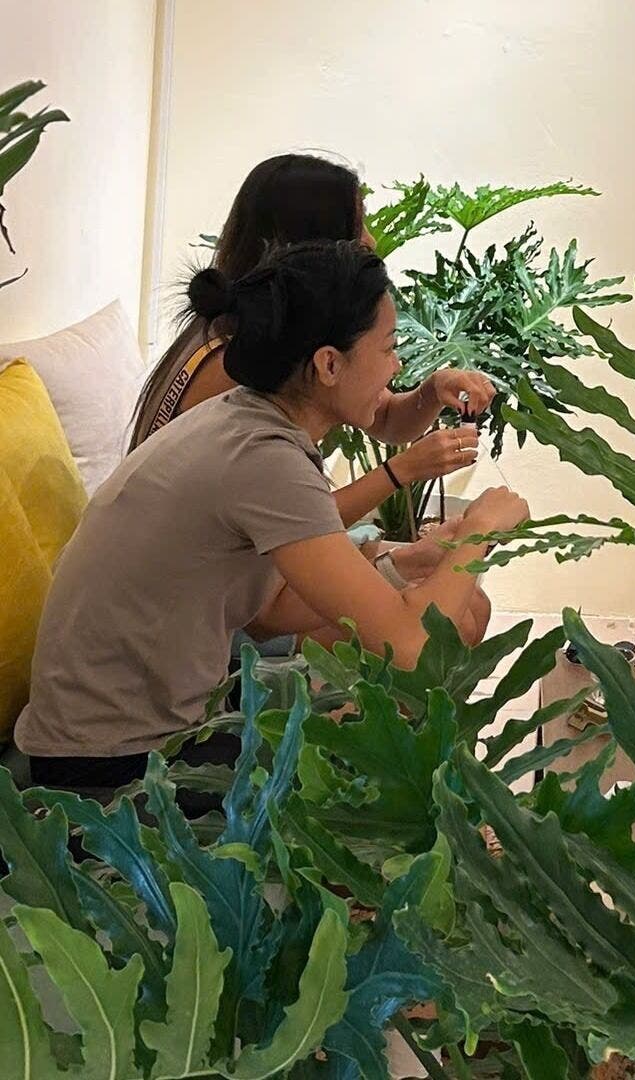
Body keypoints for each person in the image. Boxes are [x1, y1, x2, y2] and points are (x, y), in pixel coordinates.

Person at [15, 241, 530, 792]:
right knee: (393, 725)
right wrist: (479, 530)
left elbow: (269, 611)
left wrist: (411, 561)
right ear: (329, 364)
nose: (398, 364)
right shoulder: (266, 460)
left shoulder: (247, 417)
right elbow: (410, 651)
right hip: (116, 766)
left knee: (441, 617)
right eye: (389, 348)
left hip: (115, 733)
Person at [131, 153, 493, 616]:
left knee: (461, 600)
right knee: (455, 616)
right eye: (359, 224)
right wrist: (404, 475)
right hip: (210, 596)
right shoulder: (238, 367)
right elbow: (286, 515)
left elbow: (382, 417)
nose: (371, 240)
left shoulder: (272, 337)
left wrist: (430, 391)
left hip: (248, 562)